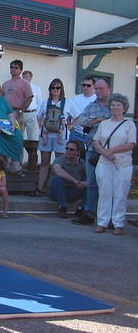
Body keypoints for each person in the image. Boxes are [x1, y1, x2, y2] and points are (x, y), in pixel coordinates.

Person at [92, 93, 136, 235]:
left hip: (122, 163)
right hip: (104, 162)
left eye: (118, 105)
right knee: (104, 193)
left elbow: (131, 144)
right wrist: (105, 153)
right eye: (113, 104)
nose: (115, 107)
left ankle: (118, 223)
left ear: (124, 108)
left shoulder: (129, 124)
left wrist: (112, 151)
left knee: (120, 194)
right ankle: (102, 222)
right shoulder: (104, 124)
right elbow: (96, 141)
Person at [71, 78, 111, 225]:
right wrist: (98, 120)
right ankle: (89, 213)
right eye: (97, 88)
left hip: (108, 151)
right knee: (92, 183)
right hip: (92, 149)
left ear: (109, 89)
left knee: (107, 185)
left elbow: (113, 121)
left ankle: (109, 217)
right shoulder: (91, 105)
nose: (98, 91)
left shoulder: (114, 105)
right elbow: (82, 120)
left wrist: (96, 120)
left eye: (101, 88)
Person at [33, 78, 74, 196]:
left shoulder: (68, 103)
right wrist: (40, 124)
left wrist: (69, 126)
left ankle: (56, 189)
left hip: (61, 136)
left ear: (61, 89)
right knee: (44, 162)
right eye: (53, 88)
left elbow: (78, 116)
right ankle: (40, 188)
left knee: (59, 163)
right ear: (50, 89)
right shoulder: (45, 102)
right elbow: (39, 115)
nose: (55, 90)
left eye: (58, 88)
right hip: (46, 134)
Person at [47, 139, 87, 218]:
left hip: (71, 192)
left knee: (88, 187)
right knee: (57, 179)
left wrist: (85, 183)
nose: (68, 151)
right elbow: (57, 170)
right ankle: (62, 207)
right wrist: (75, 181)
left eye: (72, 149)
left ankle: (82, 209)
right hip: (56, 192)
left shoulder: (82, 163)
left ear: (78, 152)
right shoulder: (59, 160)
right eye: (67, 148)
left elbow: (91, 177)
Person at [66, 75, 97, 155]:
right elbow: (68, 115)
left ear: (94, 86)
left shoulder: (97, 100)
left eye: (88, 85)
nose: (85, 87)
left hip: (91, 135)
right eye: (83, 85)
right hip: (75, 133)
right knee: (72, 157)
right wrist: (70, 127)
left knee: (88, 158)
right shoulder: (75, 99)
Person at [21, 70, 42, 142]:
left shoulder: (36, 88)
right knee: (19, 137)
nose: (25, 78)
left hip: (32, 114)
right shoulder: (19, 87)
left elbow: (39, 102)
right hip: (21, 114)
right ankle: (20, 153)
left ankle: (32, 153)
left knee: (33, 138)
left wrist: (36, 114)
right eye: (23, 77)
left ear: (31, 77)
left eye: (27, 77)